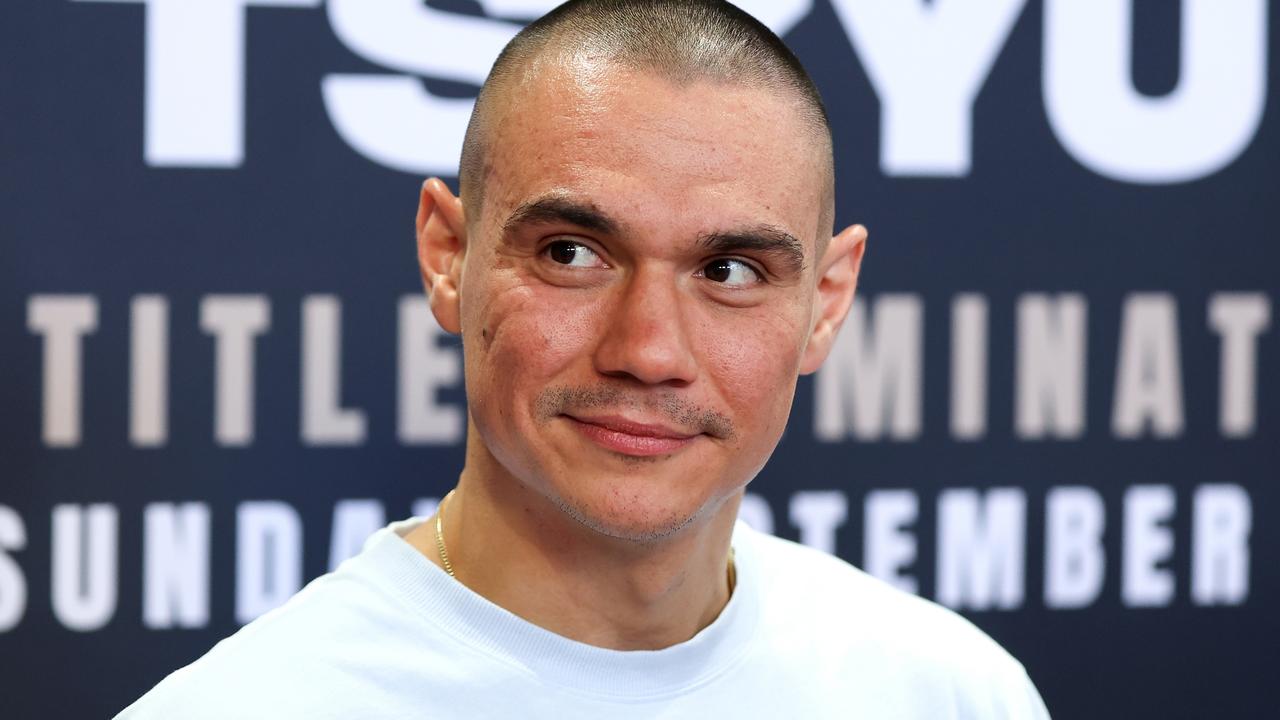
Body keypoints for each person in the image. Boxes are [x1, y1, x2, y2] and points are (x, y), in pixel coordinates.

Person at [118, 1, 1050, 717]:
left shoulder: (951, 692)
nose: (647, 351)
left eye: (729, 270)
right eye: (573, 253)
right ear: (449, 256)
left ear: (826, 303)